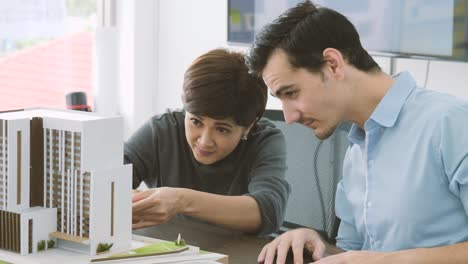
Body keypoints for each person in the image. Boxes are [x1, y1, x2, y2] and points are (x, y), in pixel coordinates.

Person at [245, 1, 468, 263]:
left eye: (291, 93)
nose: (289, 117)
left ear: (332, 64)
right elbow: (353, 254)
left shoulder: (450, 123)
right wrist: (318, 246)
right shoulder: (355, 154)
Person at [125, 48, 290, 236]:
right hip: (169, 250)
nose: (204, 141)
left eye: (222, 129)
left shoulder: (264, 140)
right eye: (196, 121)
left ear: (249, 126)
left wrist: (181, 200)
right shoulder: (163, 129)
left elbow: (268, 212)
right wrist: (131, 199)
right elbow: (104, 178)